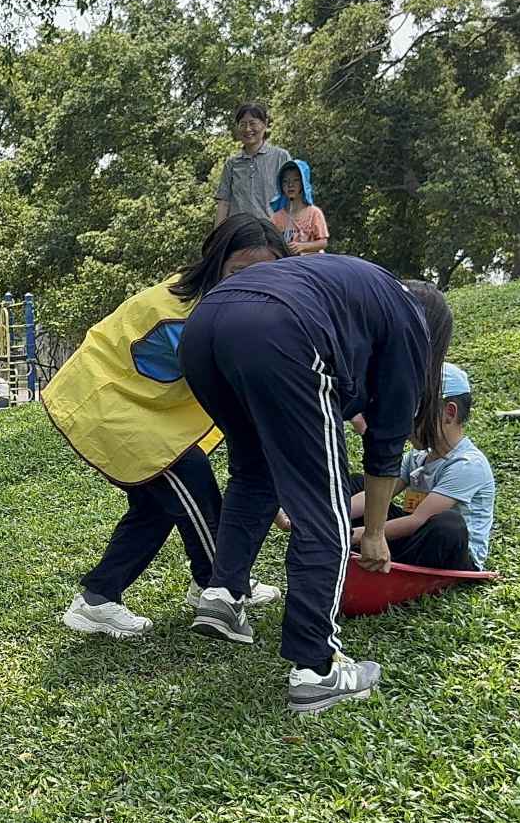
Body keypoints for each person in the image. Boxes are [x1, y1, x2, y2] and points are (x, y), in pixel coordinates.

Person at [179, 252, 453, 715]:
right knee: (322, 507)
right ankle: (317, 669)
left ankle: (223, 594)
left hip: (203, 331)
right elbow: (386, 445)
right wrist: (373, 534)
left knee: (254, 468)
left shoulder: (361, 291)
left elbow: (340, 383)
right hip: (282, 333)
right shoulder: (410, 325)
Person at [48, 217, 285, 639]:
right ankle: (219, 585)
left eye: (265, 272)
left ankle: (98, 599)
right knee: (191, 485)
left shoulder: (210, 300)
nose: (252, 283)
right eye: (239, 272)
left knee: (155, 505)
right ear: (216, 262)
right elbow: (230, 387)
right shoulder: (189, 314)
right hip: (110, 403)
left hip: (138, 407)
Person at [347, 363, 493, 572]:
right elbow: (380, 494)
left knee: (448, 526)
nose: (404, 426)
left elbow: (418, 520)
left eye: (412, 417)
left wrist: (355, 534)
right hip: (413, 539)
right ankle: (385, 556)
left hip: (443, 548)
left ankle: (380, 555)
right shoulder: (417, 456)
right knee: (360, 485)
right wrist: (332, 516)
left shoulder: (468, 465)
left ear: (449, 413)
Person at [215, 103, 292, 225]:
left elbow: (292, 197)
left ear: (265, 124)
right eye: (242, 124)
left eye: (252, 123)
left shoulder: (281, 157)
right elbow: (224, 203)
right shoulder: (232, 163)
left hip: (272, 233)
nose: (247, 129)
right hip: (239, 233)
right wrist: (217, 238)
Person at [269, 160, 329, 255]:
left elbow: (323, 243)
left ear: (303, 183)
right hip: (287, 265)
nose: (290, 185)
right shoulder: (276, 218)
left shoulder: (314, 213)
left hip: (310, 265)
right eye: (285, 181)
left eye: (295, 180)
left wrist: (302, 246)